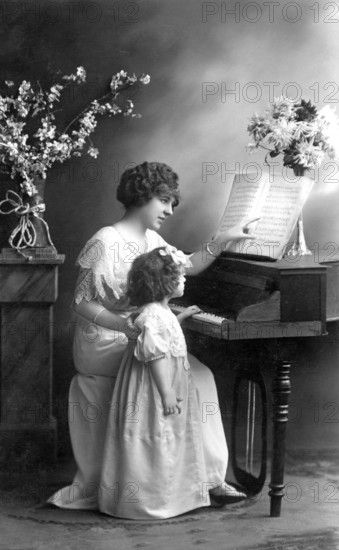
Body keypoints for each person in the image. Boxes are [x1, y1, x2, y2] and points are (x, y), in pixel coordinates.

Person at [48, 161, 254, 511]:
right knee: (194, 374)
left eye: (172, 202)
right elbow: (81, 303)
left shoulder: (151, 239)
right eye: (164, 201)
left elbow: (185, 265)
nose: (170, 210)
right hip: (105, 337)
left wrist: (220, 241)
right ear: (142, 197)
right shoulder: (104, 241)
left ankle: (207, 479)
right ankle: (192, 483)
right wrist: (125, 327)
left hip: (138, 330)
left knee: (199, 373)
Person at [99, 246, 239, 519]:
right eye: (180, 276)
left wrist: (181, 319)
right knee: (157, 435)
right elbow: (155, 357)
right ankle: (152, 501)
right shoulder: (154, 316)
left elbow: (164, 331)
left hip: (159, 379)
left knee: (166, 437)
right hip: (154, 385)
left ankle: (171, 496)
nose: (185, 279)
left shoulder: (157, 312)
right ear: (164, 283)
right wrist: (167, 394)